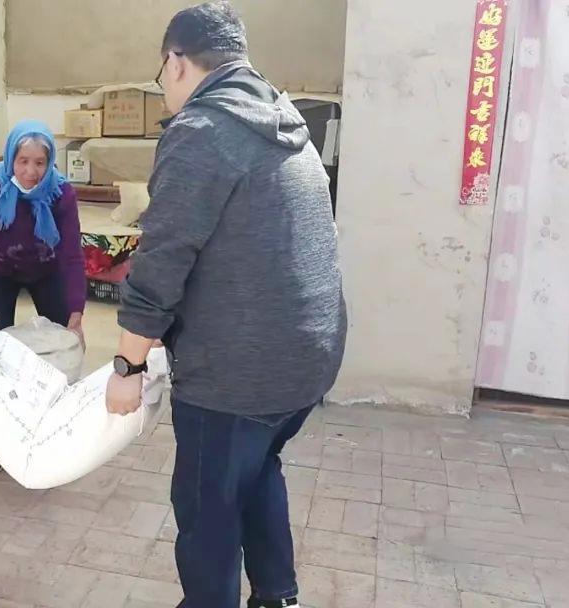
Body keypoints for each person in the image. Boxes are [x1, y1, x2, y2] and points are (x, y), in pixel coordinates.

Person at [104, 3, 347, 608]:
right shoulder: (285, 117)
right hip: (309, 356)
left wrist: (127, 367)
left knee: (207, 507)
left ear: (176, 62)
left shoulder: (202, 132)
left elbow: (162, 261)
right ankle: (277, 596)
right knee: (257, 469)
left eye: (161, 73)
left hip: (239, 374)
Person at [0, 119, 87, 474]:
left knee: (62, 347)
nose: (31, 172)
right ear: (10, 159)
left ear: (50, 163)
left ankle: (54, 430)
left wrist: (75, 310)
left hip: (47, 269)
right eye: (23, 161)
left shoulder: (61, 194)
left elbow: (72, 255)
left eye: (40, 162)